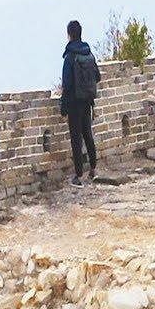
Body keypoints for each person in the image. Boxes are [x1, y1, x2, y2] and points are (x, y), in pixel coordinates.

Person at [60, 19, 100, 186]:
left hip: (74, 102)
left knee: (76, 138)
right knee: (87, 134)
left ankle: (78, 175)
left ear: (69, 35)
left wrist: (63, 108)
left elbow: (67, 84)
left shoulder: (70, 57)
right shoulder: (88, 54)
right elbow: (98, 76)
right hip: (88, 100)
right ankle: (93, 169)